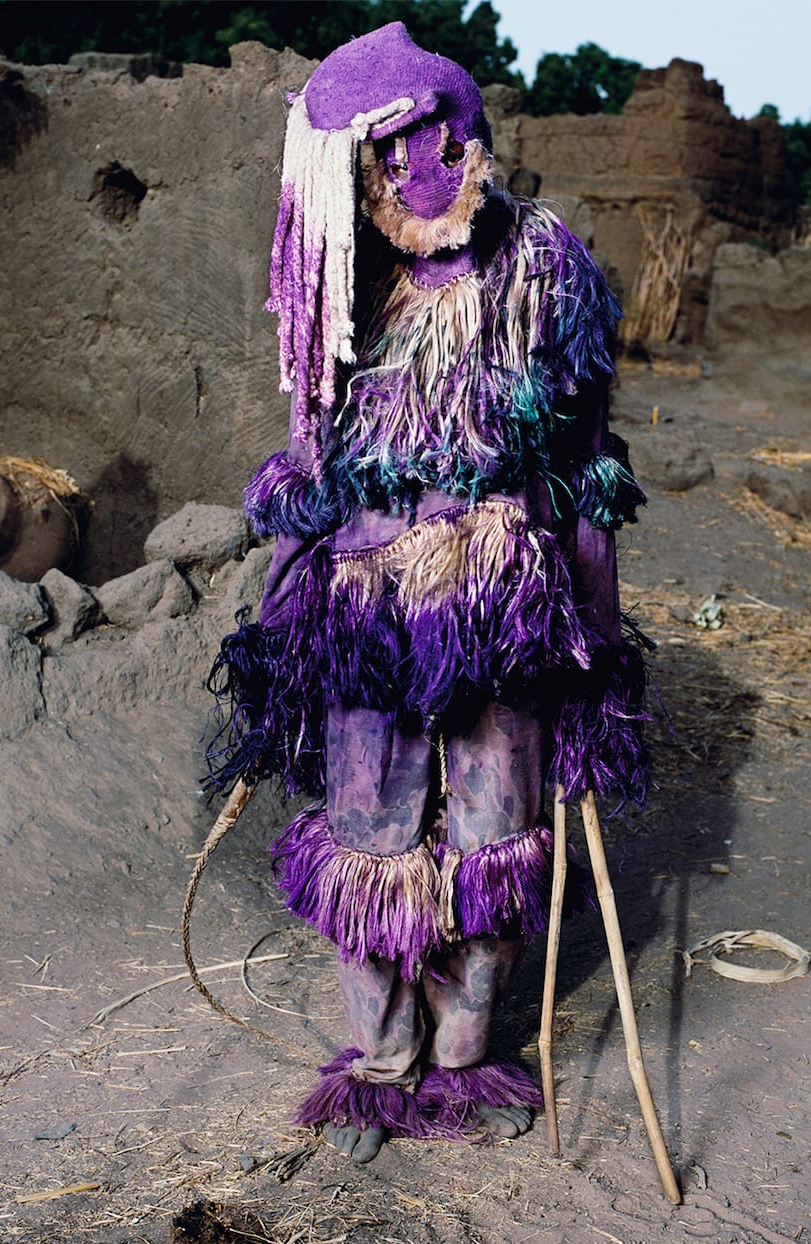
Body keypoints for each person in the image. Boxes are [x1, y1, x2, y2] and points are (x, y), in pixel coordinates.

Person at [205, 21, 651, 1163]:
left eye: (428, 141)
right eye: (382, 153)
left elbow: (584, 463)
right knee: (368, 835)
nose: (411, 170)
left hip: (502, 607)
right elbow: (310, 458)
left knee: (497, 835)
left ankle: (461, 1059)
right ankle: (380, 1062)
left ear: (466, 137)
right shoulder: (344, 278)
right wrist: (282, 630)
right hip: (366, 613)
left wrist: (595, 644)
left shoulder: (542, 269)